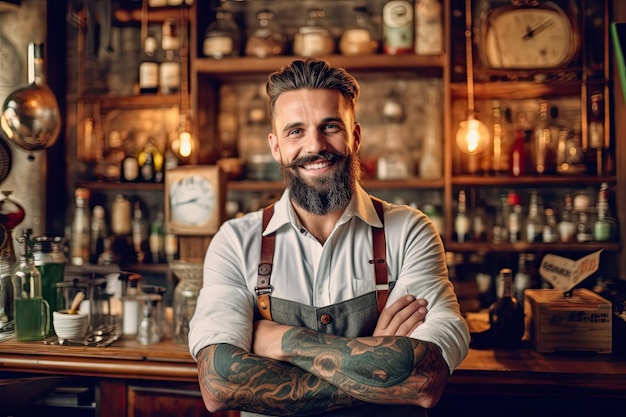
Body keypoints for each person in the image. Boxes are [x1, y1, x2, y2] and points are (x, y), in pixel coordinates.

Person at [189, 58, 470, 417]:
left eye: (330, 126)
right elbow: (218, 384)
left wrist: (281, 341)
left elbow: (423, 379)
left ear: (354, 135)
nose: (315, 145)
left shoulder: (409, 231)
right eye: (296, 131)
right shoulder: (235, 242)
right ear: (276, 147)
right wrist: (377, 366)